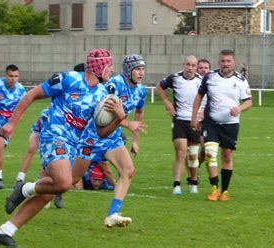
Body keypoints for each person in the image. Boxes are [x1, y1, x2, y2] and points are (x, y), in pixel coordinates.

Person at [0, 48, 123, 246]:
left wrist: (119, 118)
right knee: (63, 183)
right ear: (99, 67)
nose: (112, 70)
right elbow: (31, 95)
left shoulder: (103, 95)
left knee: (49, 194)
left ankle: (4, 231)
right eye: (110, 66)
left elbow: (101, 132)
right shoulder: (68, 79)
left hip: (73, 146)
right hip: (53, 137)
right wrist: (11, 123)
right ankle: (25, 188)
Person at [72, 54, 147, 228]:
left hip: (112, 138)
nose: (141, 73)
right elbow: (103, 113)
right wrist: (128, 124)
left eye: (143, 69)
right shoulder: (114, 85)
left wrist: (135, 140)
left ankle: (113, 214)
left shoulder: (141, 91)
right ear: (128, 70)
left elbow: (139, 114)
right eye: (137, 69)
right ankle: (33, 190)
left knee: (128, 171)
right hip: (92, 137)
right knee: (70, 180)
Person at [191, 49, 252, 201]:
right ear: (219, 62)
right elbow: (199, 96)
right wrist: (194, 116)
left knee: (226, 156)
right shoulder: (210, 77)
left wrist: (239, 108)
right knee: (210, 153)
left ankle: (225, 191)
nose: (225, 64)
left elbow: (249, 101)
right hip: (210, 123)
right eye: (223, 61)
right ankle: (214, 188)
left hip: (230, 124)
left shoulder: (240, 80)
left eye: (228, 61)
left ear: (233, 62)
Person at [156, 55, 203, 195]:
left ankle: (193, 182)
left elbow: (206, 97)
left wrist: (201, 113)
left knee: (193, 155)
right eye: (188, 64)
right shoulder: (175, 78)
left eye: (193, 65)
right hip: (179, 121)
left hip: (194, 121)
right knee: (181, 152)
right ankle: (176, 185)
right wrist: (167, 103)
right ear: (184, 64)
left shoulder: (201, 81)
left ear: (196, 67)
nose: (190, 68)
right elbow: (159, 87)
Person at [14, 108, 50, 184]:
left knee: (50, 154)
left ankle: (43, 177)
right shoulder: (46, 113)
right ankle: (20, 178)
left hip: (53, 134)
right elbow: (44, 131)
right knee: (32, 148)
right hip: (39, 131)